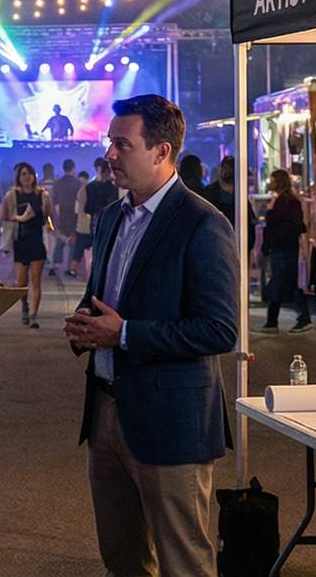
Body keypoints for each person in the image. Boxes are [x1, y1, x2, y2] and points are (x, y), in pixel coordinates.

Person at [64, 95, 237, 577]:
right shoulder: (111, 218)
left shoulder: (202, 223)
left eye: (123, 144)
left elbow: (219, 329)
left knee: (183, 560)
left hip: (170, 422)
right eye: (110, 142)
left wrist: (123, 334)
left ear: (162, 151)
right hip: (105, 410)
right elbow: (102, 297)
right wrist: (85, 323)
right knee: (122, 559)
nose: (109, 154)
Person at [258, 169, 312, 333]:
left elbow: (291, 224)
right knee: (285, 283)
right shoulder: (283, 201)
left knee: (280, 283)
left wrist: (272, 241)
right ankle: (282, 320)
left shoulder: (286, 202)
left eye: (273, 179)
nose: (270, 182)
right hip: (283, 247)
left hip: (283, 247)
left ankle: (277, 321)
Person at [5, 163, 47, 327]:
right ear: (19, 177)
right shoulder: (12, 195)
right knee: (21, 282)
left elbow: (48, 216)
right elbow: (6, 216)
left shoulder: (42, 194)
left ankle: (33, 316)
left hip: (36, 241)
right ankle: (24, 306)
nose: (27, 177)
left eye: (29, 173)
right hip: (21, 241)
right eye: (23, 174)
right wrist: (17, 218)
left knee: (36, 280)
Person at [77, 157, 117, 280]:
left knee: (96, 248)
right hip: (109, 220)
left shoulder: (90, 187)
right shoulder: (112, 187)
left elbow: (87, 208)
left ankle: (94, 275)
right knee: (108, 248)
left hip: (95, 220)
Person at [52, 159, 84, 276]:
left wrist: (58, 217)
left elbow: (55, 204)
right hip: (74, 216)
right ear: (73, 167)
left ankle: (56, 264)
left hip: (62, 215)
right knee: (74, 242)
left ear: (63, 168)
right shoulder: (78, 183)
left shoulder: (57, 183)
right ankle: (71, 267)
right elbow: (80, 202)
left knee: (60, 239)